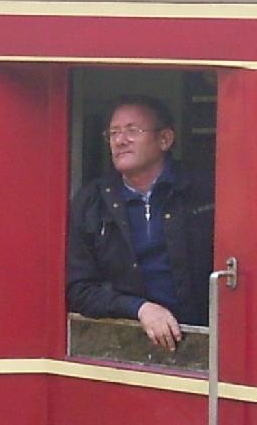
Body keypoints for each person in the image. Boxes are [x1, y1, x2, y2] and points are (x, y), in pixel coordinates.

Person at [66, 96, 214, 351]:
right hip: (125, 346)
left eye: (132, 130)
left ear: (165, 139)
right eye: (113, 133)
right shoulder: (91, 201)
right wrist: (139, 309)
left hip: (204, 345)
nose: (120, 141)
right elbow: (79, 290)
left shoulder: (204, 191)